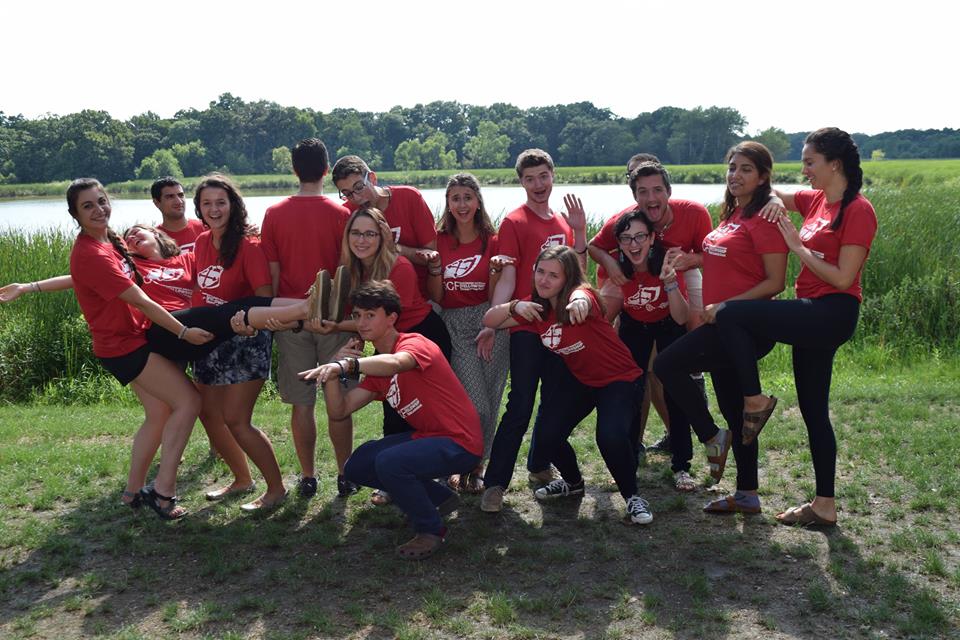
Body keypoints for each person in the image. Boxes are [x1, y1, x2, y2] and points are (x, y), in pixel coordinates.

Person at [714, 128, 877, 526]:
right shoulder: (816, 200)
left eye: (809, 162)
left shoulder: (858, 210)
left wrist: (797, 248)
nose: (804, 170)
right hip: (811, 315)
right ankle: (824, 505)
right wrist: (773, 203)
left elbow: (843, 278)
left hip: (832, 311)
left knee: (731, 313)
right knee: (813, 411)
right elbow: (771, 192)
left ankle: (753, 400)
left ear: (834, 164)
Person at [300, 281, 482, 560]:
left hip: (461, 443)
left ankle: (431, 531)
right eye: (357, 315)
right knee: (357, 466)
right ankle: (439, 499)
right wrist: (333, 371)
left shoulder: (415, 343)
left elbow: (398, 363)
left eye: (370, 315)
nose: (361, 323)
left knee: (390, 462)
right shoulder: (377, 370)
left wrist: (349, 365)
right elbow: (339, 411)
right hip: (430, 437)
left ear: (392, 318)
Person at [654, 141, 788, 515]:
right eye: (732, 167)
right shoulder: (735, 214)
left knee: (666, 365)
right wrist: (690, 260)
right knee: (738, 413)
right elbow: (728, 259)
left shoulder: (765, 218)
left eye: (746, 169)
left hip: (744, 327)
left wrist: (727, 306)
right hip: (725, 325)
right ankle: (747, 494)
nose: (735, 175)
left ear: (763, 176)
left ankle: (712, 436)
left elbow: (775, 282)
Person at [484, 245, 654, 525]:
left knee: (609, 437)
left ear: (568, 278)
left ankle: (632, 496)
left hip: (619, 379)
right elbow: (489, 319)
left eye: (554, 275)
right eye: (541, 271)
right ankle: (573, 482)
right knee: (546, 437)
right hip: (582, 381)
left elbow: (583, 298)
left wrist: (577, 303)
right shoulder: (536, 308)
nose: (544, 280)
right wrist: (515, 306)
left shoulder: (583, 295)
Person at [312, 206, 452, 505]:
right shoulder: (352, 269)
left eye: (370, 234)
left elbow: (382, 319)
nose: (362, 240)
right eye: (356, 233)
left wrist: (338, 327)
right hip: (388, 342)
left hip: (420, 335)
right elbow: (366, 319)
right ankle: (394, 477)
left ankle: (436, 473)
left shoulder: (399, 266)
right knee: (394, 406)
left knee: (427, 409)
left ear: (383, 236)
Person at [480, 149, 587, 513]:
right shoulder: (514, 222)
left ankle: (541, 464)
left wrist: (580, 231)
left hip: (560, 328)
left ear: (553, 176)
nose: (538, 184)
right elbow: (509, 277)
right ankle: (495, 484)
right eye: (530, 179)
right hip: (527, 326)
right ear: (521, 182)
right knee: (521, 405)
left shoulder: (562, 222)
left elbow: (577, 275)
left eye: (543, 176)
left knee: (554, 403)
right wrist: (495, 320)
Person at [588, 161, 713, 453]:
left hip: (681, 268)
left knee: (694, 328)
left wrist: (690, 260)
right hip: (635, 275)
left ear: (669, 191)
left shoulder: (694, 213)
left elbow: (713, 255)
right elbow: (594, 246)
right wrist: (609, 263)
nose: (651, 198)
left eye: (657, 190)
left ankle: (693, 381)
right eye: (643, 192)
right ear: (634, 196)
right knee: (632, 359)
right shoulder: (626, 220)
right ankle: (633, 439)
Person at [260, 138, 357, 499]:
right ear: (327, 170)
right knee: (338, 403)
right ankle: (345, 475)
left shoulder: (273, 213)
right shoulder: (343, 213)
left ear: (293, 169)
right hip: (333, 321)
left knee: (302, 403)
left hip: (292, 320)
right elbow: (348, 272)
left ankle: (308, 476)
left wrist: (275, 317)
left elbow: (272, 273)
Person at [190, 174, 286, 511]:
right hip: (209, 339)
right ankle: (242, 479)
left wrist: (245, 325)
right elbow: (199, 288)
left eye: (221, 202)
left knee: (236, 420)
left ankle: (276, 488)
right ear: (199, 209)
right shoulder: (201, 242)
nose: (214, 209)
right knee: (207, 413)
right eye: (207, 203)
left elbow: (264, 298)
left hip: (246, 340)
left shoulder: (249, 245)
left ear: (233, 205)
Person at [416, 173, 509, 494]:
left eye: (468, 197)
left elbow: (494, 294)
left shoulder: (493, 240)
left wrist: (495, 271)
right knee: (474, 404)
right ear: (448, 203)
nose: (462, 204)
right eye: (455, 198)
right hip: (454, 324)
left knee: (491, 398)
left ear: (478, 201)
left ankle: (477, 467)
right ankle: (461, 460)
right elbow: (437, 296)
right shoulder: (439, 240)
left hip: (489, 323)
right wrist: (434, 268)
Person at [601, 208, 696, 491]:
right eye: (626, 238)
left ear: (652, 238)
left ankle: (682, 466)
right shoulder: (616, 268)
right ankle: (628, 460)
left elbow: (681, 317)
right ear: (619, 243)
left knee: (674, 392)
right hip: (634, 325)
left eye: (640, 236)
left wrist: (669, 283)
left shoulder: (667, 261)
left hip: (669, 323)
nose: (634, 244)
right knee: (632, 390)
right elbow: (604, 315)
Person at [331, 155, 437, 294]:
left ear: (372, 178)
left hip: (420, 294)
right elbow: (347, 265)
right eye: (348, 194)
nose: (356, 198)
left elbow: (431, 257)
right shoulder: (347, 213)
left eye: (359, 187)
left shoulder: (409, 197)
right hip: (372, 297)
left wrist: (393, 247)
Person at [151, 177, 206, 252]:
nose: (179, 201)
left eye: (181, 195)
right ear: (157, 203)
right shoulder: (154, 239)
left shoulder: (205, 229)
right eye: (170, 197)